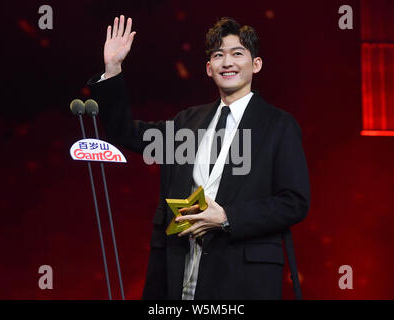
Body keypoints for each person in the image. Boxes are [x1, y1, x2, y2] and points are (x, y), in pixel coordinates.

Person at [88, 15, 310, 300]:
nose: (227, 62)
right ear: (209, 68)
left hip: (241, 278)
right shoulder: (187, 122)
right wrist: (113, 69)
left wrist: (228, 217)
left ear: (256, 64)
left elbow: (295, 201)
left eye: (237, 54)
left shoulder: (279, 125)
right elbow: (125, 133)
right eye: (218, 55)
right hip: (179, 271)